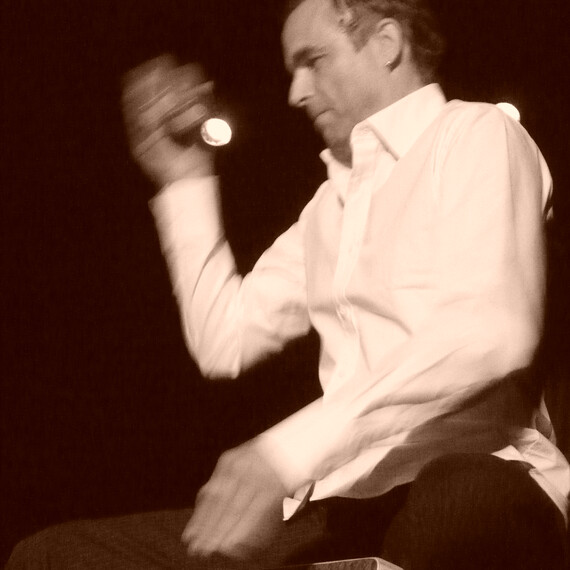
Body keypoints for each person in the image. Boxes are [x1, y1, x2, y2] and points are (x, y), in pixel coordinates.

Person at [7, 0, 570, 568]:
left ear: (386, 43)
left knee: (457, 502)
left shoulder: (475, 133)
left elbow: (490, 332)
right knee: (53, 555)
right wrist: (185, 179)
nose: (296, 92)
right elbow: (223, 340)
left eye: (313, 60)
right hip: (345, 506)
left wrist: (287, 452)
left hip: (475, 484)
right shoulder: (328, 207)